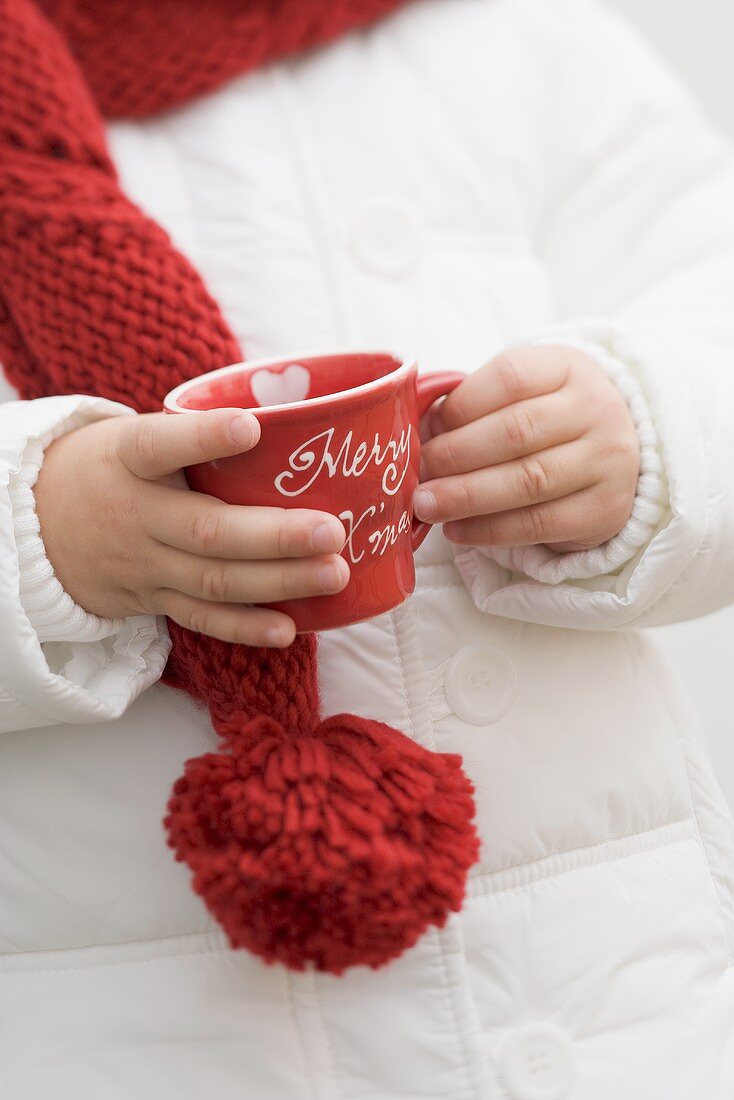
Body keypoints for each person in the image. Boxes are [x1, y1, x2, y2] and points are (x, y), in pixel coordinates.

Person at [1, 0, 734, 1096]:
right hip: (150, 1031)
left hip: (605, 982)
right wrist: (41, 534)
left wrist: (647, 426)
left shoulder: (515, 33)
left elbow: (706, 284)